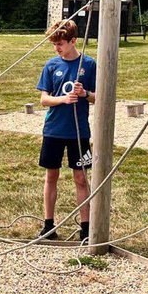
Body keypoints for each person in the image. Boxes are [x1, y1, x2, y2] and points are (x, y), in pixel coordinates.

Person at [35, 19, 97, 241]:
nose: (57, 48)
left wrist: (85, 95)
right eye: (54, 44)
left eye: (60, 44)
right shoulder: (51, 65)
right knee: (51, 176)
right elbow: (44, 99)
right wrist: (63, 99)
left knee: (81, 178)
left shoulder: (89, 65)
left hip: (79, 132)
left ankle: (86, 229)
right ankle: (48, 226)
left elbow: (99, 97)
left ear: (73, 41)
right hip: (53, 130)